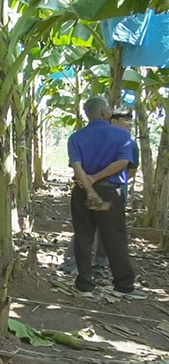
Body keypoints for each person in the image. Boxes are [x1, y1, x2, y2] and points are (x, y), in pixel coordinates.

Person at [67, 96, 145, 299]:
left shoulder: (75, 137)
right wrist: (96, 179)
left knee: (83, 236)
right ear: (104, 113)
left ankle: (84, 285)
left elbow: (77, 167)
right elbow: (123, 163)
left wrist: (89, 186)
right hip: (110, 191)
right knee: (115, 238)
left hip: (81, 191)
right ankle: (123, 285)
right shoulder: (122, 136)